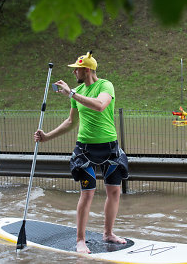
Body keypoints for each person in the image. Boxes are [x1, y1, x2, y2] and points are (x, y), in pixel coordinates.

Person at [34, 51, 129, 254]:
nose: (74, 73)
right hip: (85, 150)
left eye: (76, 69)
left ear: (86, 70)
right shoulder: (76, 92)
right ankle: (80, 240)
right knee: (87, 193)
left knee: (114, 191)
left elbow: (101, 106)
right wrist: (46, 136)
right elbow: (71, 122)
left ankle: (108, 233)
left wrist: (71, 94)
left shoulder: (105, 85)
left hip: (110, 148)